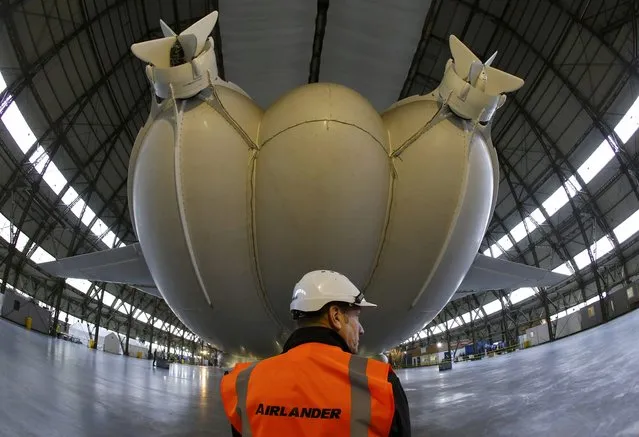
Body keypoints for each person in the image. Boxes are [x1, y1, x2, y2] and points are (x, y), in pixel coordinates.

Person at [220, 270, 411, 436]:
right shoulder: (380, 383)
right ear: (336, 316)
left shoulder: (243, 383)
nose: (361, 329)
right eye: (356, 317)